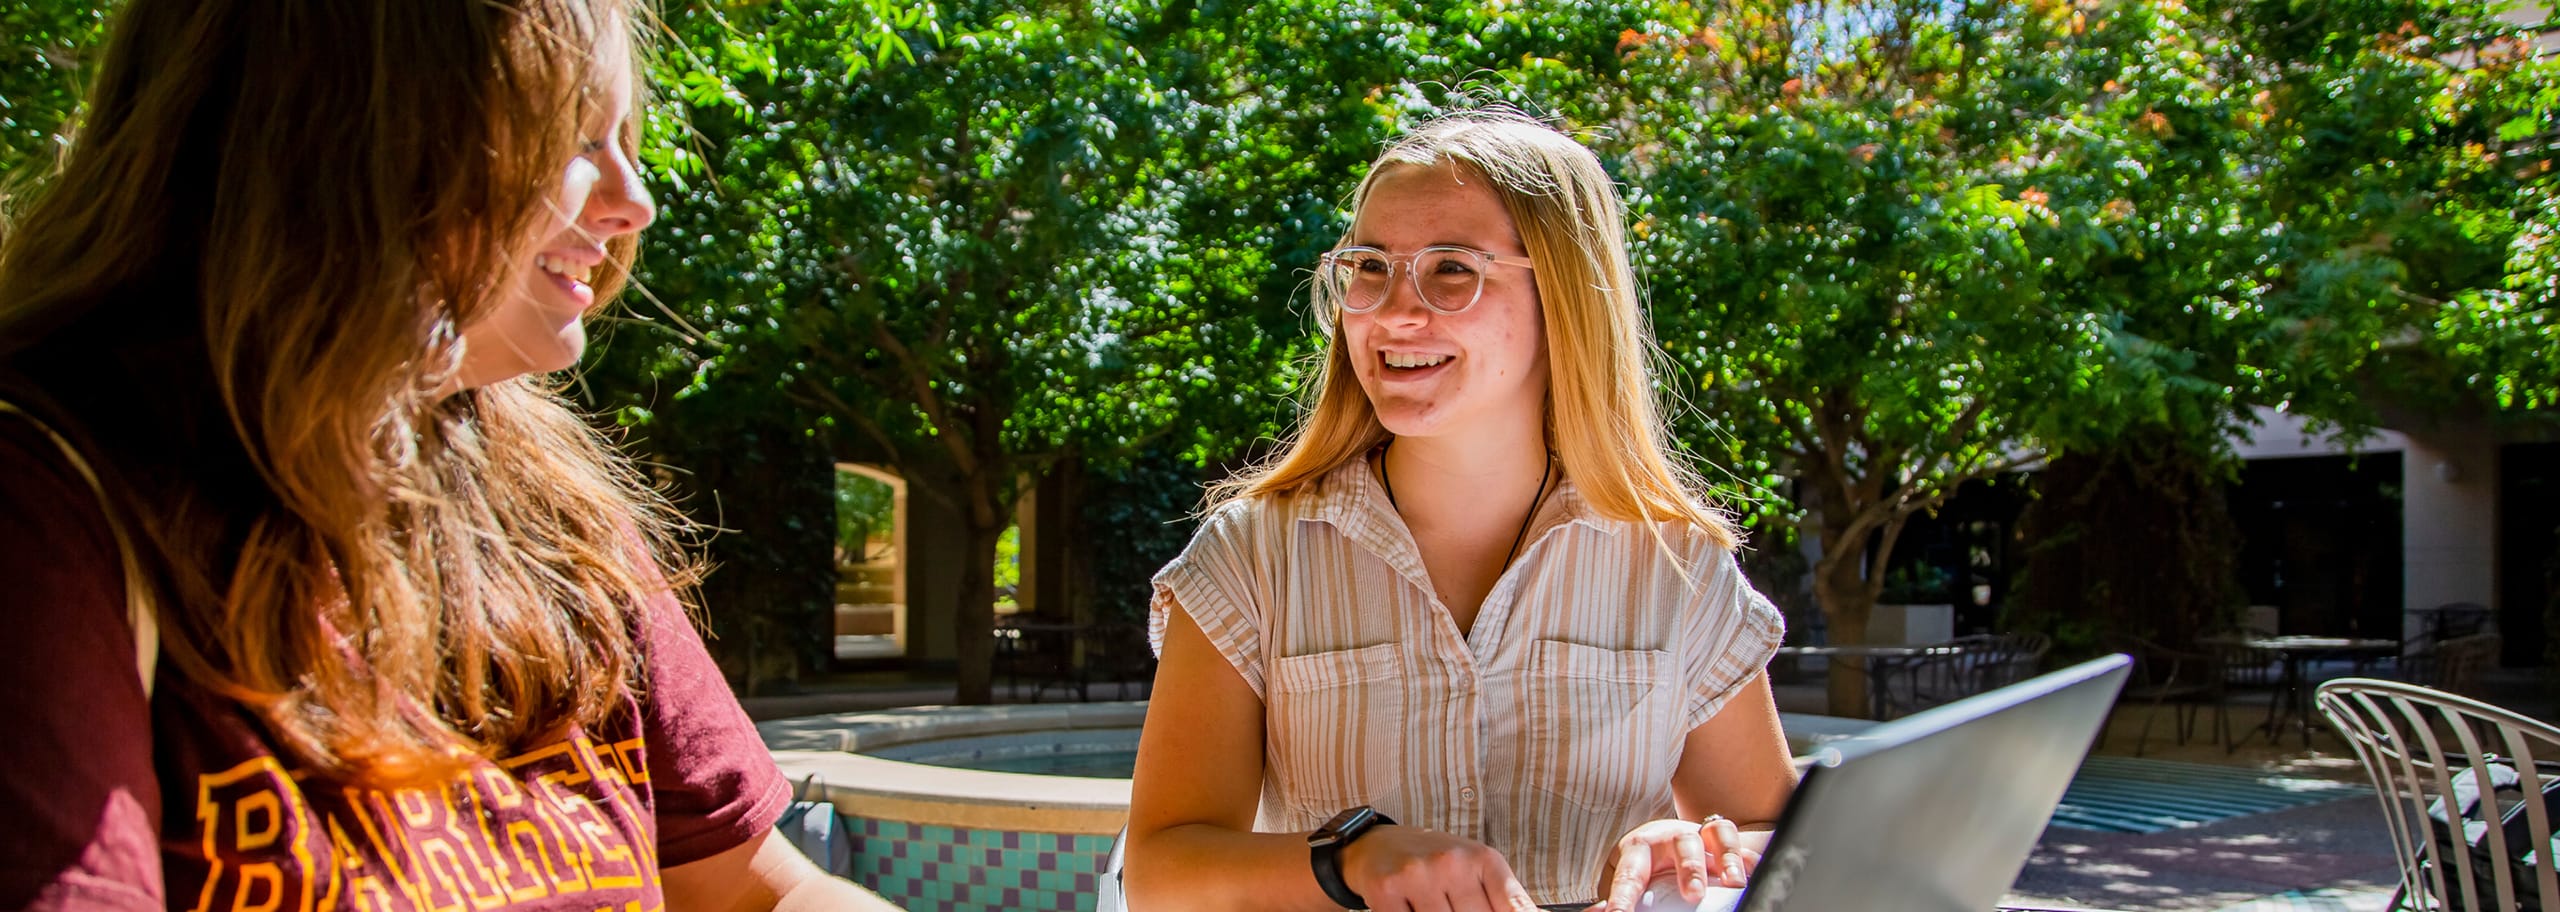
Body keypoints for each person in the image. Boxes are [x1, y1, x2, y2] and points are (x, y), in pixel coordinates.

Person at [0, 2, 900, 909]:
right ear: (351, 133)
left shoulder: (547, 512)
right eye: (574, 139)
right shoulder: (48, 513)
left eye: (622, 137)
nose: (634, 203)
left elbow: (756, 894)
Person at [1122, 111, 1798, 912]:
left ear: (1566, 299)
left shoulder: (1674, 564)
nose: (1396, 313)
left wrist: (1707, 847)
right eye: (1369, 267)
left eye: (1452, 270)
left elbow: (1786, 841)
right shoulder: (1250, 556)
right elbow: (1159, 873)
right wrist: (1350, 860)